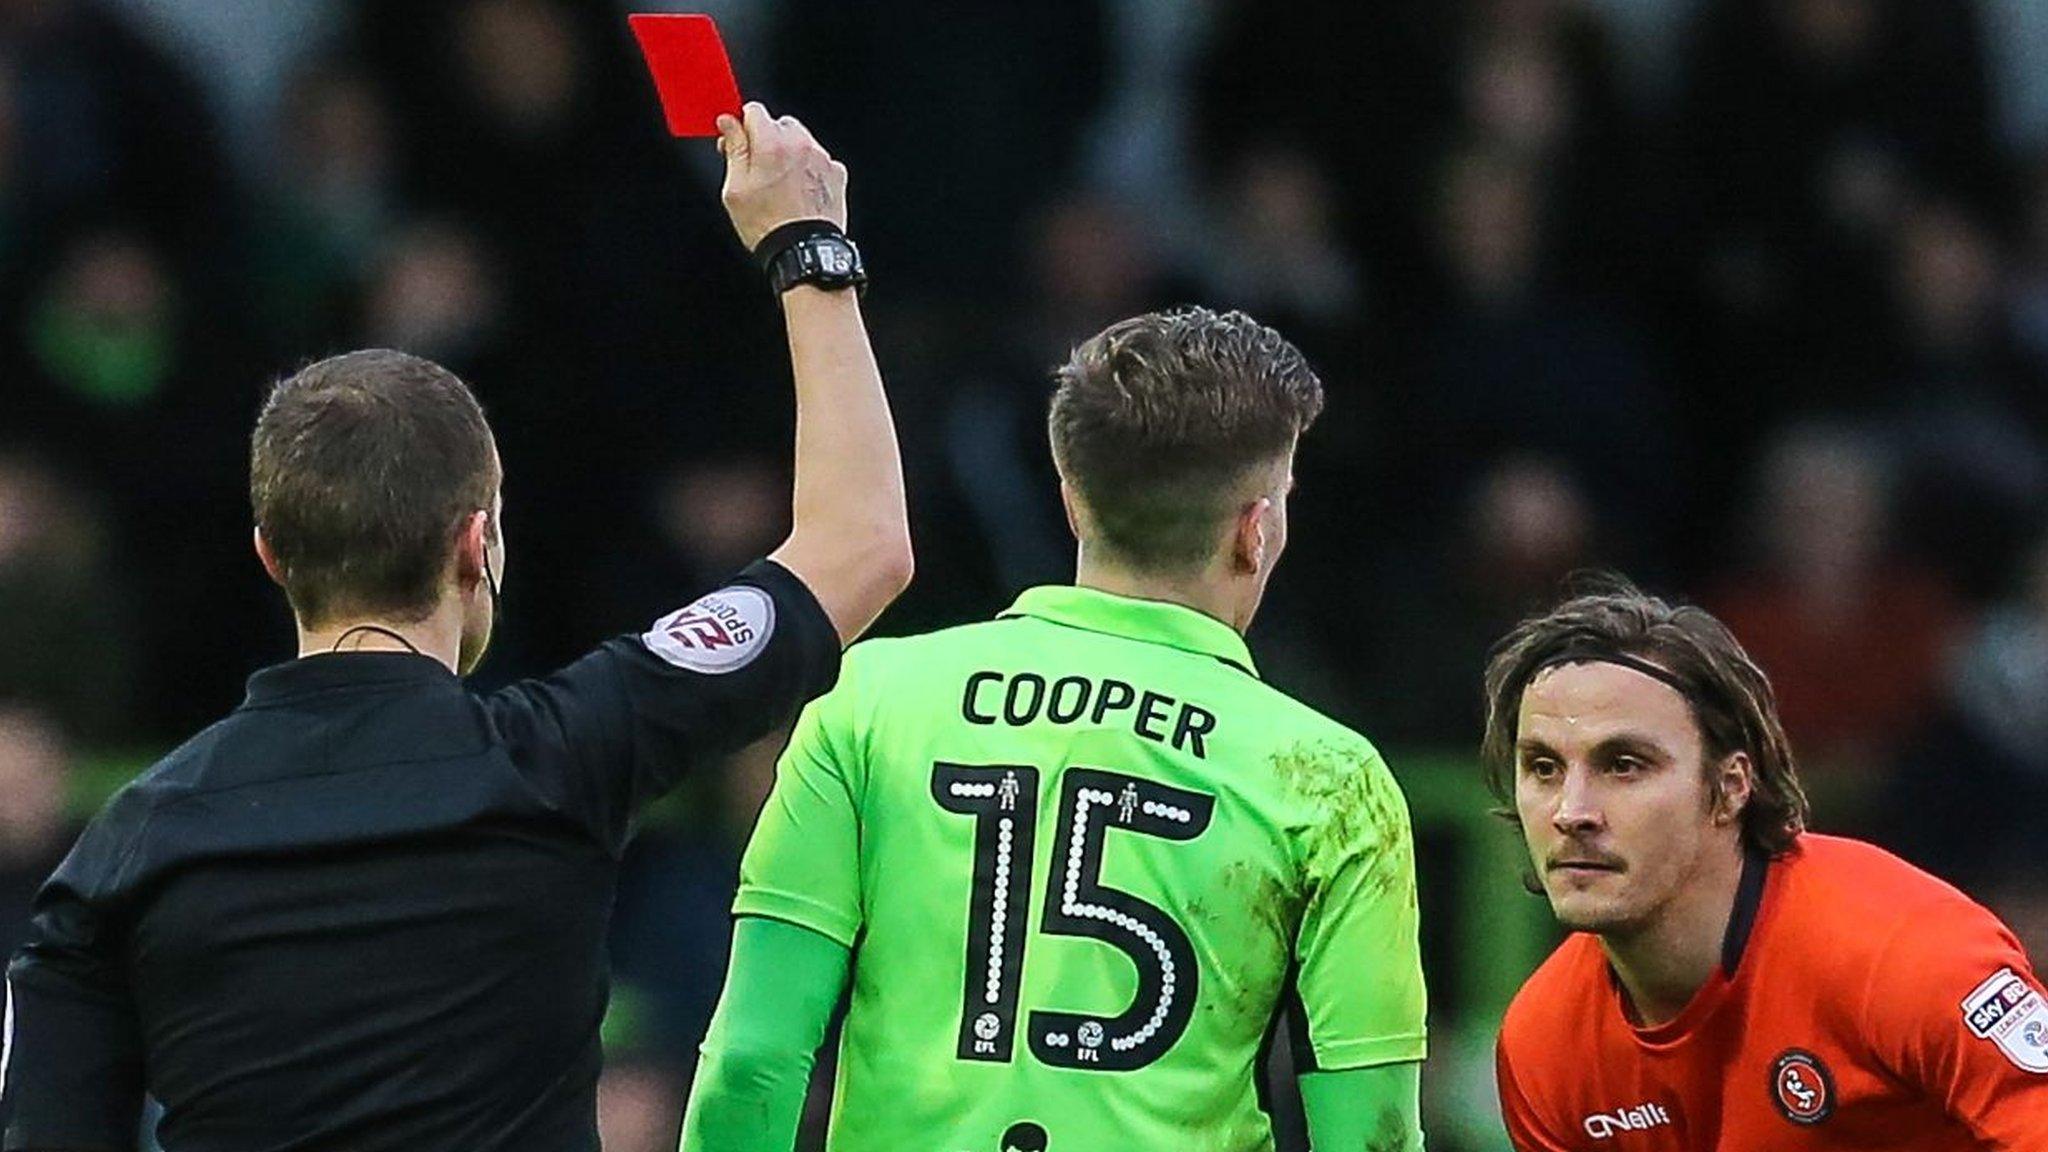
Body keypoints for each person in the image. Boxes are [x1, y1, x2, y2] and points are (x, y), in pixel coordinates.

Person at [0, 103, 910, 1152]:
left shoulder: (121, 853)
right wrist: (807, 248)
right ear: (478, 546)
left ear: (271, 556)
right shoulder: (562, 750)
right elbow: (860, 547)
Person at [678, 306, 1429, 1152]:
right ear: (1256, 531)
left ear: (1071, 502)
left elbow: (751, 1061)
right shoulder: (1328, 777)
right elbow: (1374, 1133)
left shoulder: (870, 701)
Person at [1486, 576, 2048, 1150]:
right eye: (1543, 768)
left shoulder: (1903, 953)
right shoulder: (1544, 1047)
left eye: (1624, 765)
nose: (1571, 811)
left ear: (1731, 787)